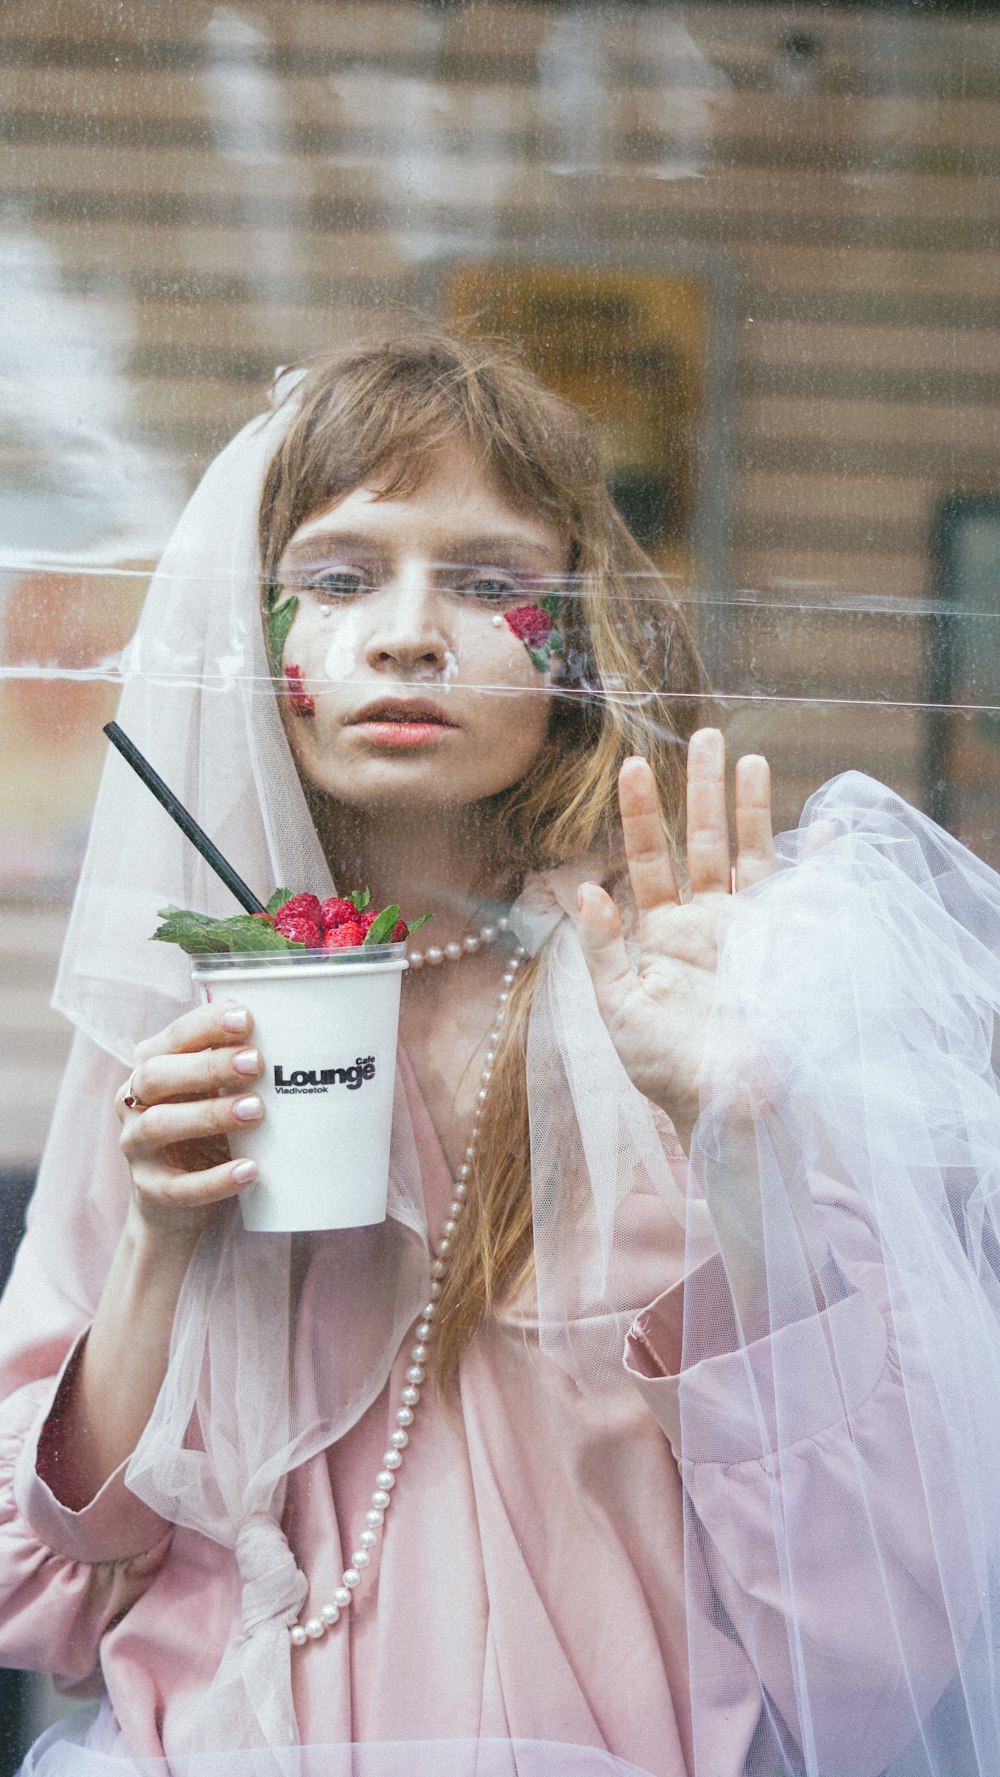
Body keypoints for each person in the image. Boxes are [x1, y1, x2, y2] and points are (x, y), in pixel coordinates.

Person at [1, 332, 1000, 1777]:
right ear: (249, 629)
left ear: (576, 644)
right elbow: (43, 1584)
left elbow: (877, 1639)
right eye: (338, 580)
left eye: (491, 585)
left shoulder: (684, 990)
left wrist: (746, 1141)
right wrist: (160, 1244)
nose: (408, 633)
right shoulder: (188, 1025)